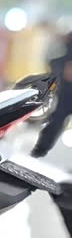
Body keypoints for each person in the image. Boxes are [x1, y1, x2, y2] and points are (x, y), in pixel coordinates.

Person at [31, 28, 72, 158]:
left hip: (66, 90)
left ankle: (40, 149)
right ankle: (40, 149)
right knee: (57, 119)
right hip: (67, 91)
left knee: (57, 119)